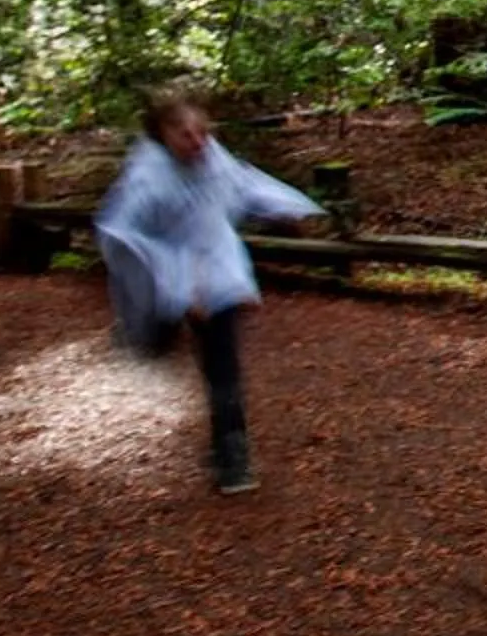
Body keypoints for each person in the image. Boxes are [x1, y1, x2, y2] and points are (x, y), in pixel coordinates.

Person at [91, 88, 325, 494]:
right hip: (163, 269)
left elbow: (244, 184)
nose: (197, 141)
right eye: (184, 134)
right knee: (153, 340)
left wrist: (291, 207)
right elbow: (123, 237)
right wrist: (179, 288)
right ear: (162, 133)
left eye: (202, 131)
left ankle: (232, 454)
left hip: (216, 271)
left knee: (222, 362)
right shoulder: (148, 179)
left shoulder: (211, 158)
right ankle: (142, 334)